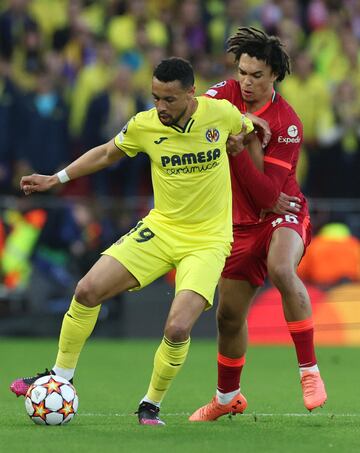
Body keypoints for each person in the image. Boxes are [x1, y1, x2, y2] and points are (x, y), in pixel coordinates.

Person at [10, 57, 267, 426]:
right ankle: (60, 376)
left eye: (169, 99)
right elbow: (106, 153)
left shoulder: (219, 114)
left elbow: (247, 128)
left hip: (208, 241)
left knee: (177, 328)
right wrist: (57, 178)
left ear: (191, 94)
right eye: (155, 97)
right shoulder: (145, 125)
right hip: (161, 229)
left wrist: (250, 142)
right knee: (86, 289)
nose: (160, 107)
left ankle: (150, 404)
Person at [189, 27, 327, 422]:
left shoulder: (288, 123)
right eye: (242, 73)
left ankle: (309, 371)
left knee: (282, 269)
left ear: (274, 77)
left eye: (256, 76)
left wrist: (237, 146)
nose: (246, 82)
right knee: (228, 317)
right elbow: (193, 115)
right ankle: (227, 397)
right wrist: (243, 121)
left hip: (279, 212)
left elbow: (267, 194)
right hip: (236, 224)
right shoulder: (224, 95)